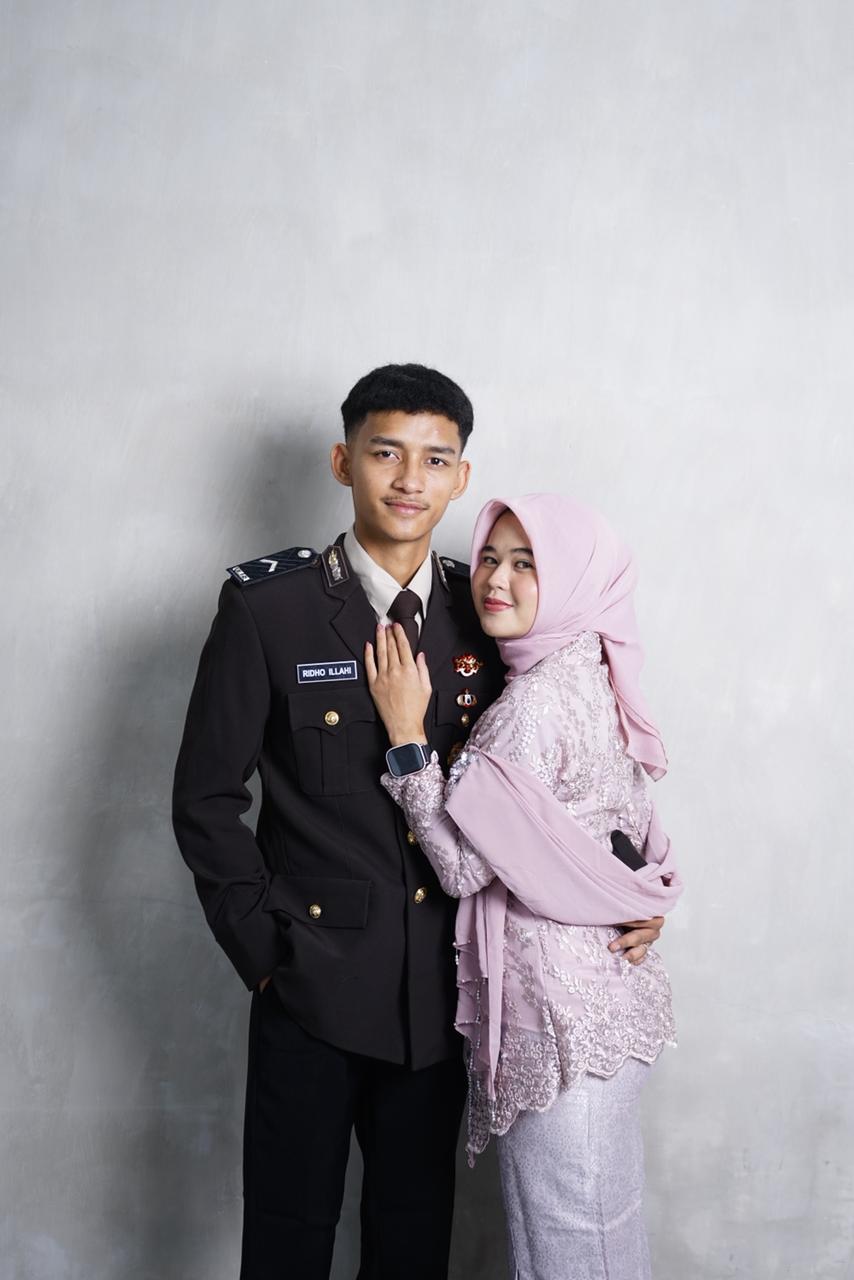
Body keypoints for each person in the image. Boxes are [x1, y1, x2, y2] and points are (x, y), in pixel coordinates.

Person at [172, 366, 666, 1280]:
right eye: (386, 454)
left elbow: (572, 782)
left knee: (411, 1246)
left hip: (442, 999)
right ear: (343, 462)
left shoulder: (490, 615)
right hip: (311, 985)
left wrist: (630, 890)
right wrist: (266, 955)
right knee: (288, 1238)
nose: (410, 480)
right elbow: (205, 799)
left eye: (435, 460)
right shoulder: (270, 609)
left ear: (461, 478)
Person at [365, 493, 682, 1280]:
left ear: (571, 577)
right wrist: (634, 901)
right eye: (490, 559)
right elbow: (628, 833)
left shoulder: (529, 708)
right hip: (612, 1001)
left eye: (526, 563)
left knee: (564, 1246)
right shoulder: (596, 675)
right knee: (604, 1231)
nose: (495, 580)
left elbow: (464, 868)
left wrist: (406, 742)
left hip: (558, 1018)